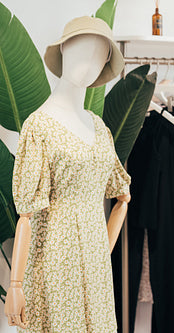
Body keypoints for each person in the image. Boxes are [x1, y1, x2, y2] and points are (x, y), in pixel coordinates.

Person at [4, 17, 130, 332]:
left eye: (98, 55)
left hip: (96, 270)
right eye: (81, 48)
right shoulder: (40, 125)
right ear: (64, 49)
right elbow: (26, 215)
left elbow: (122, 197)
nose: (88, 62)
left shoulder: (100, 129)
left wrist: (101, 251)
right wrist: (16, 285)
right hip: (54, 264)